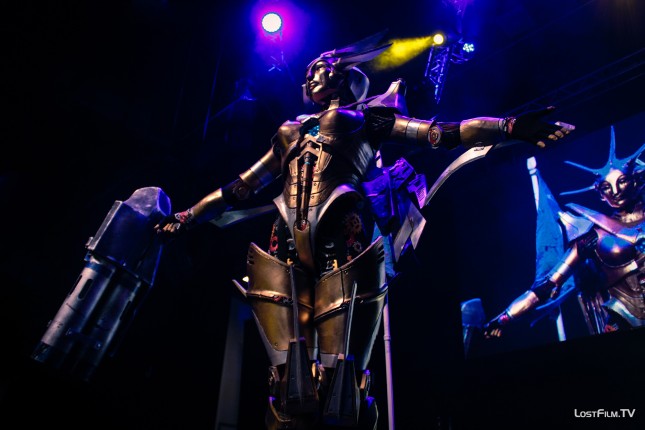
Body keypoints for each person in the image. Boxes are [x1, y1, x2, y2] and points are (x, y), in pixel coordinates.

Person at [155, 30, 574, 429]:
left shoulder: (366, 120)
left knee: (341, 387)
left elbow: (445, 133)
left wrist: (510, 126)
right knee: (289, 386)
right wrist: (186, 216)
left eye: (320, 68)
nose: (310, 75)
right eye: (309, 70)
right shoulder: (289, 132)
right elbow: (239, 188)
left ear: (342, 75)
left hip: (342, 239)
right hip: (284, 244)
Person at [484, 126, 645, 340]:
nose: (615, 191)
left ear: (636, 181)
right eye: (606, 187)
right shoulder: (592, 235)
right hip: (626, 320)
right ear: (600, 194)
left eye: (622, 181)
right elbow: (548, 285)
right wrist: (505, 317)